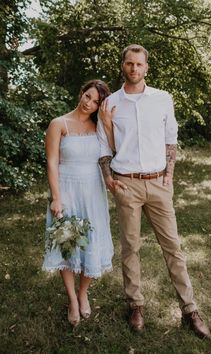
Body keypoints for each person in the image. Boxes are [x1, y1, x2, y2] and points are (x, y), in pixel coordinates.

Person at [97, 44, 211, 339]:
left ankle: (190, 310)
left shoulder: (162, 99)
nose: (134, 69)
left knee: (173, 247)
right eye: (129, 64)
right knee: (130, 248)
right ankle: (136, 304)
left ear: (147, 67)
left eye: (139, 64)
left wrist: (169, 176)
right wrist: (109, 178)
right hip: (127, 184)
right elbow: (103, 146)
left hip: (159, 183)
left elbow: (170, 139)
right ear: (122, 66)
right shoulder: (110, 104)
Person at [42, 80, 114, 327]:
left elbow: (111, 152)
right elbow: (52, 162)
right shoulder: (58, 124)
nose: (89, 103)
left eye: (95, 101)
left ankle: (84, 292)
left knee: (90, 243)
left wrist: (106, 122)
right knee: (68, 244)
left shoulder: (98, 128)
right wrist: (57, 198)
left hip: (93, 191)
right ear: (81, 93)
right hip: (67, 189)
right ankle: (72, 298)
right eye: (87, 96)